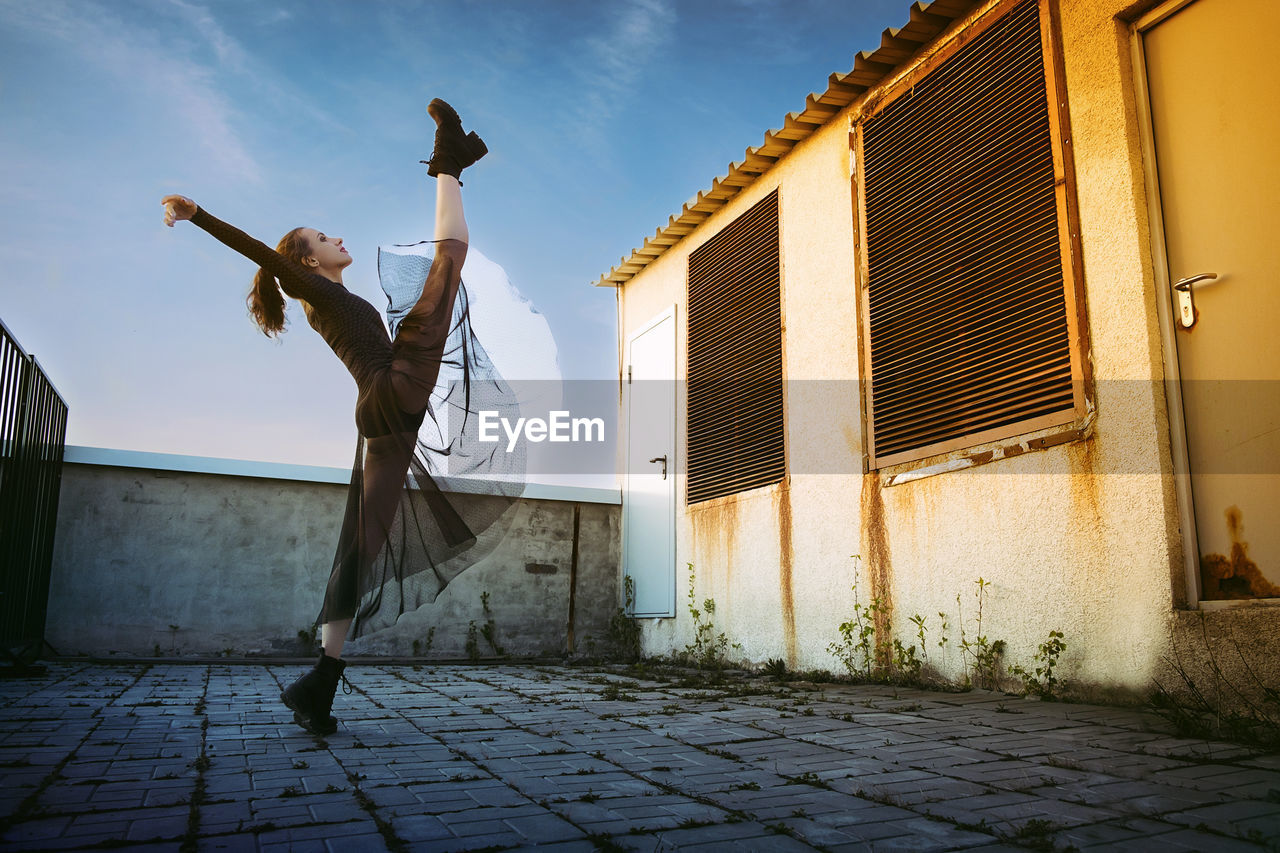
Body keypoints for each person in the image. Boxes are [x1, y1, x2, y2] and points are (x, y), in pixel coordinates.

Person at [162, 99, 502, 736]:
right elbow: (259, 251)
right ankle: (449, 162)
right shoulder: (315, 291)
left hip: (385, 407)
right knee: (446, 264)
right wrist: (197, 213)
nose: (338, 238)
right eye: (324, 239)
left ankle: (320, 682)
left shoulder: (334, 295)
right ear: (307, 263)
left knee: (361, 547)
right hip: (391, 390)